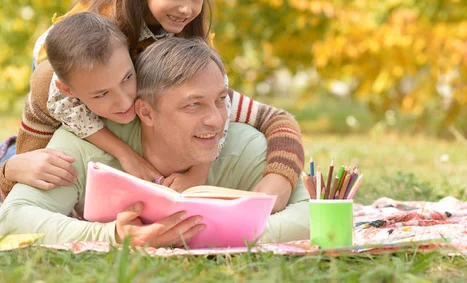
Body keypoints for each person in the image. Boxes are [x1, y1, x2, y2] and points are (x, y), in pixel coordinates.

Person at [1, 0, 303, 211]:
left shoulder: (178, 56)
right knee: (31, 172)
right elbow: (49, 91)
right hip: (54, 102)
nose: (188, 8)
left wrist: (265, 181)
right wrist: (15, 169)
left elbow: (276, 120)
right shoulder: (101, 38)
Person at [0, 35, 310, 246]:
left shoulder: (243, 141)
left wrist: (216, 234)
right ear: (145, 112)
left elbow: (314, 215)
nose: (217, 120)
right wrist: (113, 236)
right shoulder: (81, 140)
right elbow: (12, 218)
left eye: (219, 101)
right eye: (193, 105)